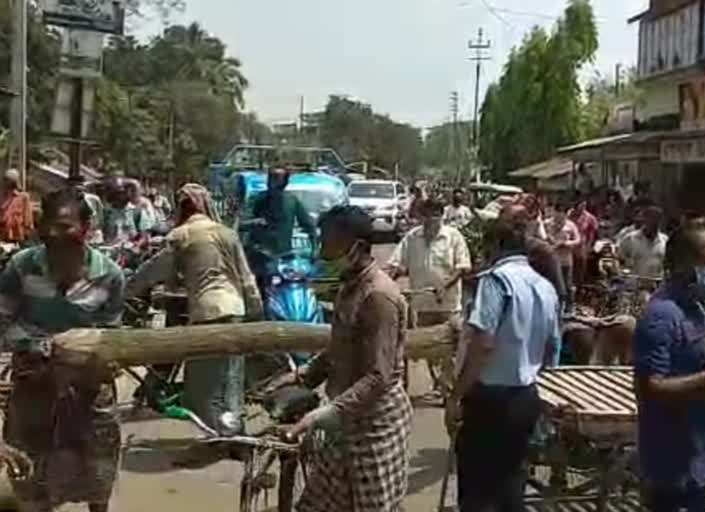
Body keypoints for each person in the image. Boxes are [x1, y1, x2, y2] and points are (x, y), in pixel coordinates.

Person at [276, 205, 412, 512]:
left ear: (358, 247)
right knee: (317, 504)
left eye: (329, 244)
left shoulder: (379, 297)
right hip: (344, 420)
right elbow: (341, 346)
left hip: (375, 423)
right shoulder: (348, 288)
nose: (323, 254)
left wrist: (325, 413)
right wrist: (304, 375)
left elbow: (379, 375)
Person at [0, 187, 125, 512]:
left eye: (65, 225)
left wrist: (94, 359)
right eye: (49, 225)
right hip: (33, 385)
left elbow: (110, 333)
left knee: (97, 472)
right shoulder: (21, 267)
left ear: (85, 228)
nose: (55, 233)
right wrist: (37, 347)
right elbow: (4, 319)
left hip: (88, 390)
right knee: (29, 475)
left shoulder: (109, 276)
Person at [448, 205, 559, 512]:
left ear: (494, 246)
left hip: (490, 398)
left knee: (478, 489)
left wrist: (456, 396)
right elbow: (551, 347)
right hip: (526, 395)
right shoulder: (545, 287)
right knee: (512, 481)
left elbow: (484, 343)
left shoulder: (496, 282)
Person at [125, 184, 262, 433]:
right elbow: (247, 278)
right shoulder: (227, 233)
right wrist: (256, 310)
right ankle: (233, 431)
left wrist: (123, 290)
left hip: (207, 313)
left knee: (202, 387)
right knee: (231, 378)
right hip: (235, 309)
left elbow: (151, 272)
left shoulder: (180, 235)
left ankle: (220, 435)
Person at [632, 218, 705, 512]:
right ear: (682, 264)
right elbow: (650, 388)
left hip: (701, 458)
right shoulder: (661, 316)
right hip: (675, 465)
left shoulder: (697, 307)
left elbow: (704, 363)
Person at [387, 198, 472, 326]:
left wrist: (444, 286)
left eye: (435, 215)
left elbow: (463, 267)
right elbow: (398, 265)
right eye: (426, 215)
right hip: (420, 307)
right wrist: (387, 285)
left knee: (449, 342)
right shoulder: (412, 237)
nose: (430, 219)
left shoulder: (454, 237)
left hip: (448, 306)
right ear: (421, 216)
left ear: (442, 216)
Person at [618, 205, 668, 280]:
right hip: (635, 284)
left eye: (656, 220)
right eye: (650, 219)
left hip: (657, 285)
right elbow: (619, 258)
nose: (653, 223)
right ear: (645, 220)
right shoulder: (630, 239)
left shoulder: (665, 241)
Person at [545, 204, 581, 306]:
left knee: (567, 284)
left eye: (563, 213)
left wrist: (566, 244)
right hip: (551, 259)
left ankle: (568, 306)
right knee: (551, 283)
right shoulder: (547, 224)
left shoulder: (571, 225)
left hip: (565, 260)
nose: (560, 215)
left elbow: (578, 240)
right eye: (558, 212)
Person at [569, 196, 599, 287]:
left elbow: (594, 233)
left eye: (584, 206)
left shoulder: (589, 218)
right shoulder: (570, 214)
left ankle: (579, 288)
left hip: (582, 246)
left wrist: (589, 246)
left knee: (580, 270)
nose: (582, 208)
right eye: (580, 205)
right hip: (570, 246)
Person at [0, 169, 34, 244]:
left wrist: (27, 232)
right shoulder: (1, 195)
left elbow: (27, 217)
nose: (5, 182)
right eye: (5, 180)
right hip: (2, 235)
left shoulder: (23, 197)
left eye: (8, 180)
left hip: (17, 236)